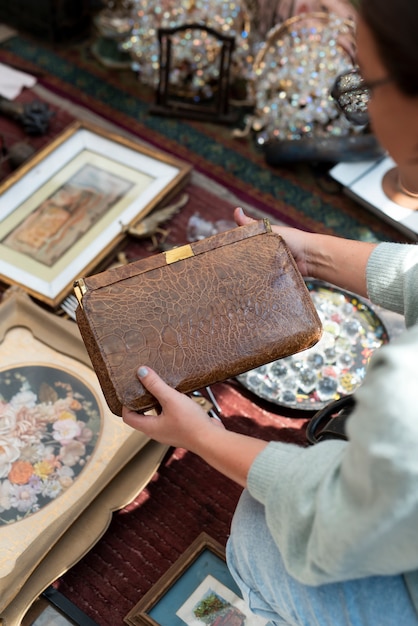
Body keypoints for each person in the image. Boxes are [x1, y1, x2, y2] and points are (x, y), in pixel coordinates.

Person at [122, 0, 418, 623]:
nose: (355, 98)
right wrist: (310, 254)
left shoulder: (407, 388)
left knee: (261, 533)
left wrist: (202, 437)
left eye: (361, 81)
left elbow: (329, 525)